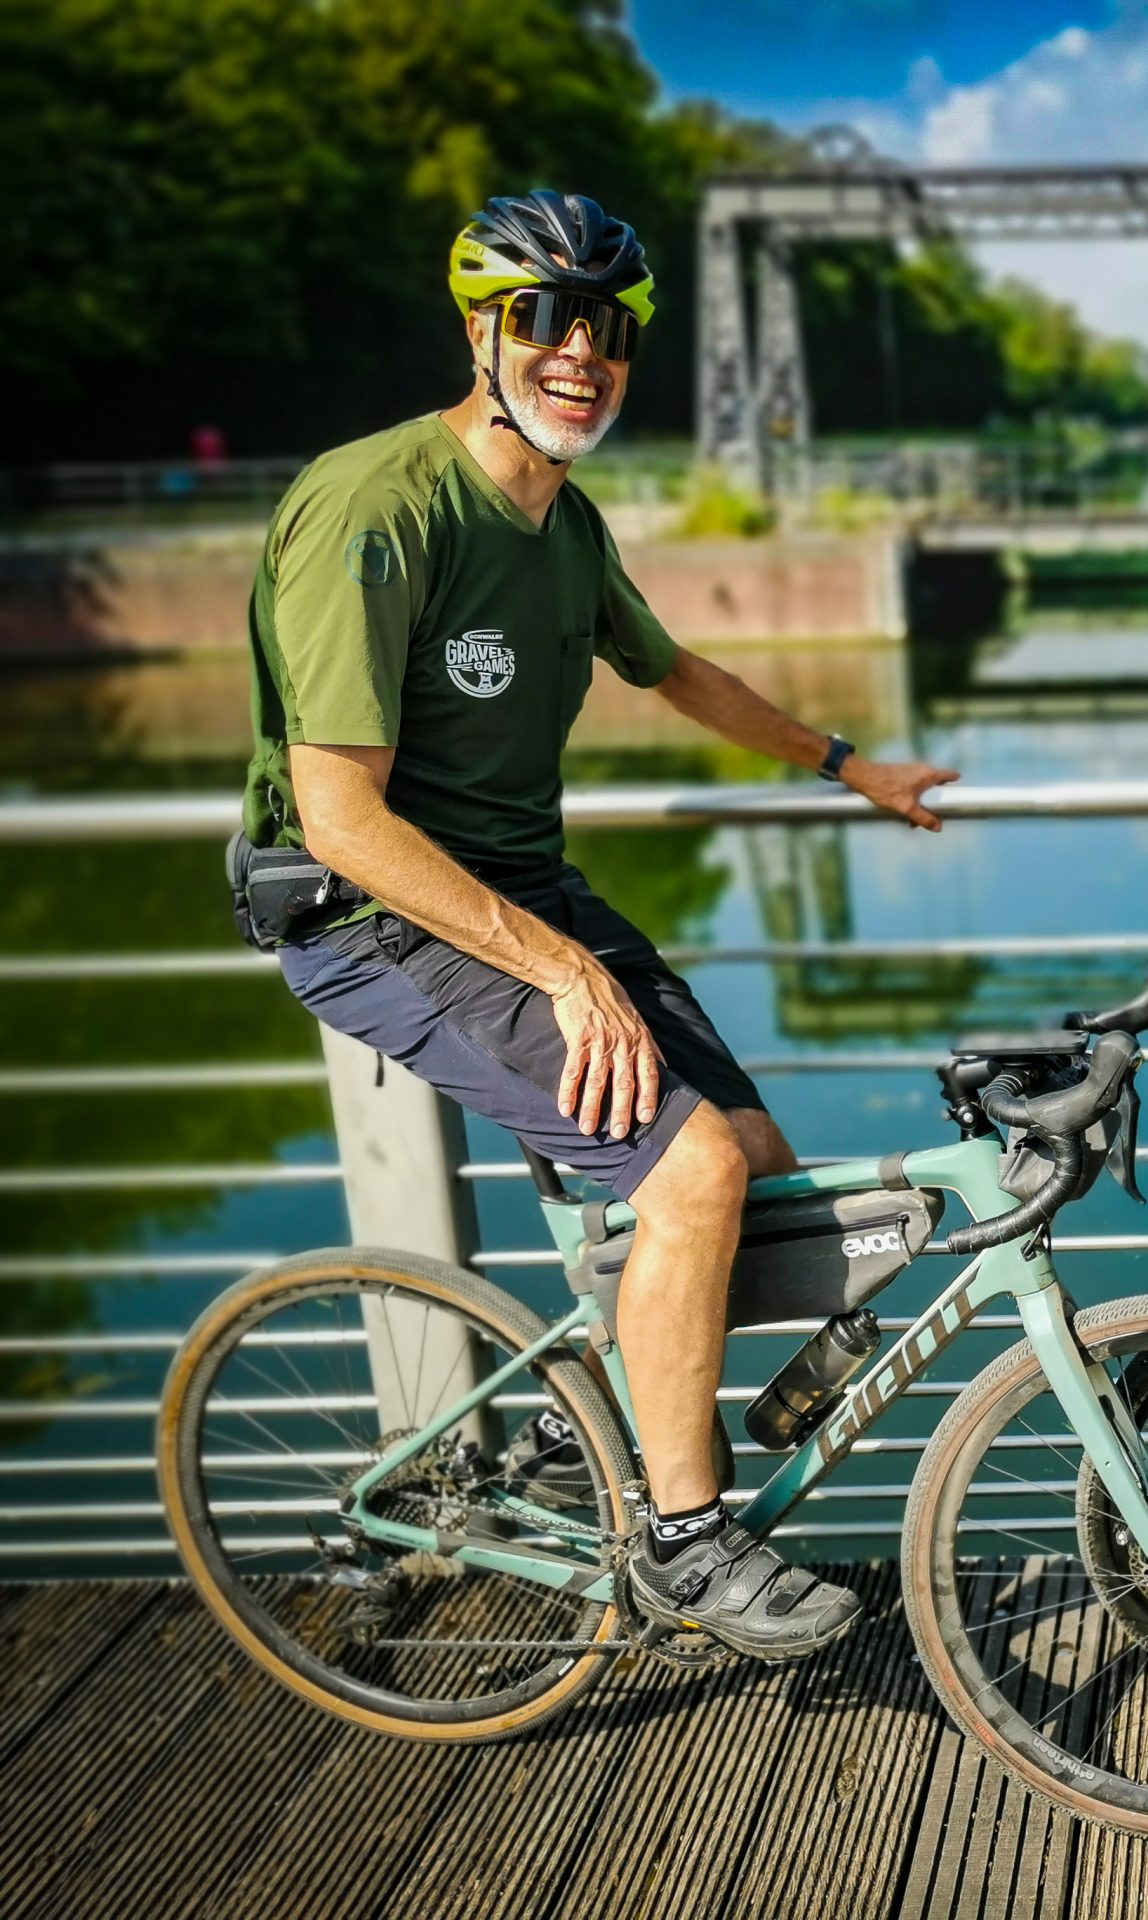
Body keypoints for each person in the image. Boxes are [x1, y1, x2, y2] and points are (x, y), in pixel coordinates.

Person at [235, 190, 959, 1660]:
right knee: (690, 1174)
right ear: (483, 332)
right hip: (366, 914)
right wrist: (567, 974)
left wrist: (847, 766)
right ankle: (684, 1541)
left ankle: (601, 1436)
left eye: (609, 329)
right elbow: (341, 818)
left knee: (758, 1168)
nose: (582, 353)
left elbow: (673, 668)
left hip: (516, 891)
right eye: (547, 320)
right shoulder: (376, 509)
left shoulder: (563, 521)